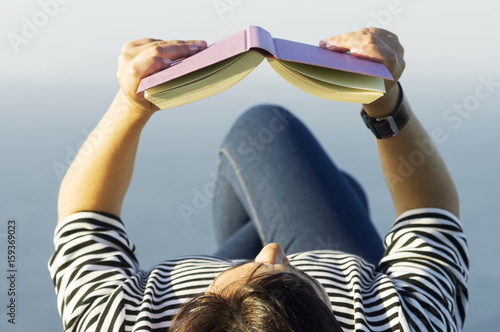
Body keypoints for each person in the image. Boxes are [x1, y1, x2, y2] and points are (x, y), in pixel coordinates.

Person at [48, 28, 469, 332]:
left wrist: (131, 103)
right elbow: (429, 213)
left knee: (315, 174)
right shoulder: (404, 321)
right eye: (291, 278)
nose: (272, 251)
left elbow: (85, 216)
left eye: (214, 298)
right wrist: (385, 100)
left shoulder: (119, 319)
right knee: (286, 143)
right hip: (347, 263)